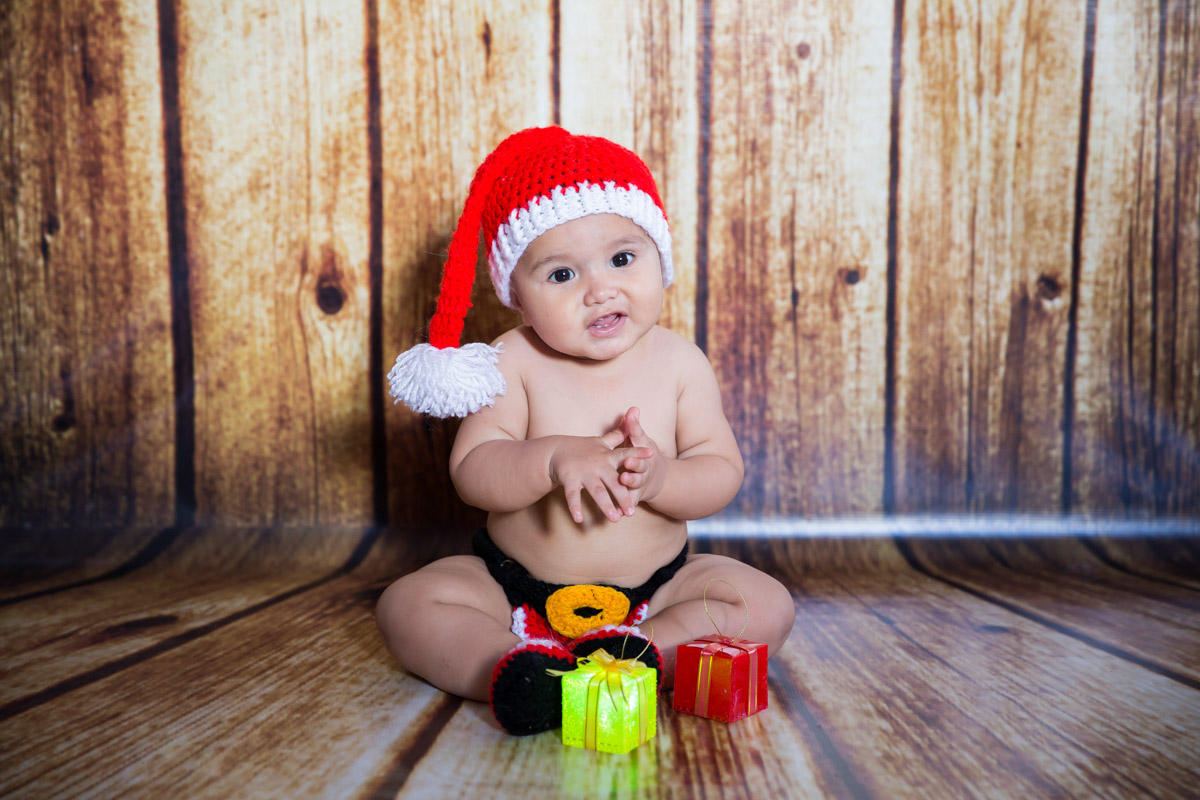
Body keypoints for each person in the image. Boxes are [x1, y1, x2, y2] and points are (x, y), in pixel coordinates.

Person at [377, 127, 795, 736]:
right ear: (516, 295)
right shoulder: (512, 360)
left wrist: (661, 475)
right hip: (513, 589)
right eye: (561, 275)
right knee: (408, 604)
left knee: (765, 604)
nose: (600, 290)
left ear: (660, 260)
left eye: (623, 259)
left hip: (656, 591)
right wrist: (549, 461)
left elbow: (720, 472)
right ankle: (513, 668)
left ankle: (641, 653)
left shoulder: (680, 362)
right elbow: (473, 471)